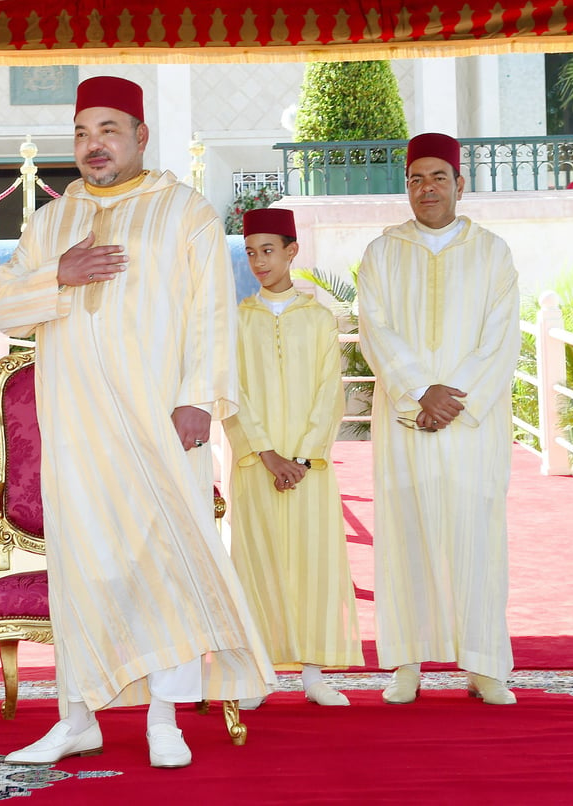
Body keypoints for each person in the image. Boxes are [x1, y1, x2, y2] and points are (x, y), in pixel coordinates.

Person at [0, 76, 274, 769]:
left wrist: (197, 398)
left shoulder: (183, 211)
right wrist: (58, 273)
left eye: (108, 130)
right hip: (74, 430)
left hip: (156, 423)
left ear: (140, 136)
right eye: (83, 133)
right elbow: (5, 309)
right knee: (80, 569)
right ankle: (75, 716)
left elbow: (211, 311)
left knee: (164, 564)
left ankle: (164, 719)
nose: (94, 145)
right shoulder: (48, 222)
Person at [357, 133, 520, 706]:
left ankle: (484, 666)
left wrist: (454, 398)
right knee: (405, 536)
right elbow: (375, 330)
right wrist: (420, 393)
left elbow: (501, 337)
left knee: (477, 537)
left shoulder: (492, 251)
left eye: (438, 178)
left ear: (460, 184)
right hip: (408, 424)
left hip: (472, 426)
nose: (426, 189)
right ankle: (405, 662)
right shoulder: (382, 252)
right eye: (415, 180)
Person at [224, 208, 364, 706]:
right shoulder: (237, 320)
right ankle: (260, 674)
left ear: (291, 251)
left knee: (312, 561)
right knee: (257, 562)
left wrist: (302, 459)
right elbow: (232, 392)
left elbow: (330, 394)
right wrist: (266, 453)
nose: (260, 261)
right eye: (251, 252)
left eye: (269, 250)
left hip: (309, 470)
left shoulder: (320, 318)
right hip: (255, 464)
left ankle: (313, 675)